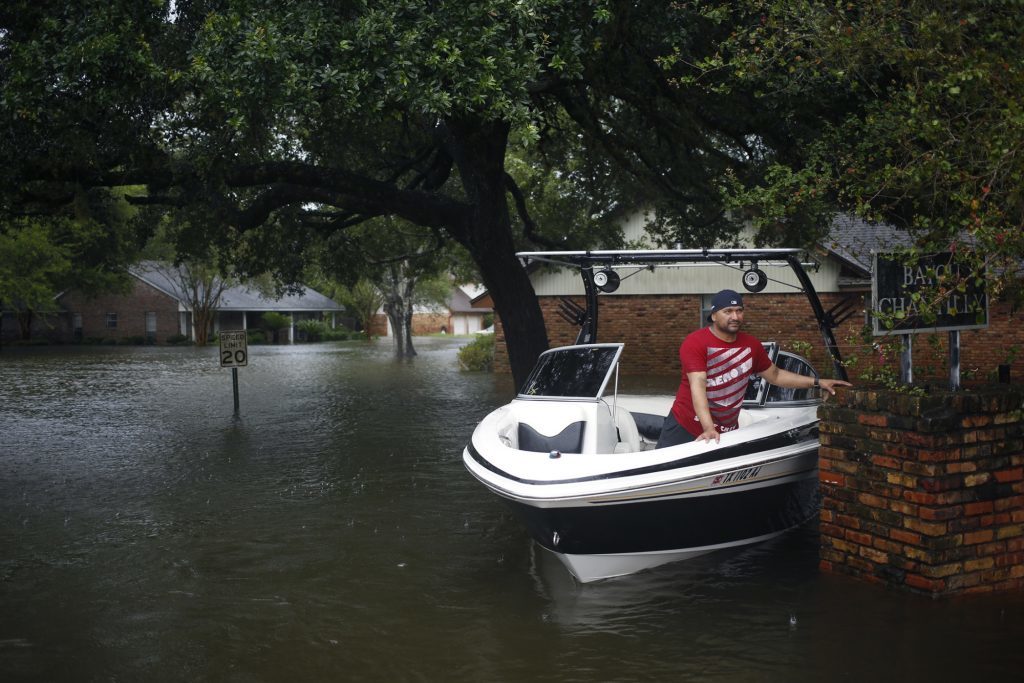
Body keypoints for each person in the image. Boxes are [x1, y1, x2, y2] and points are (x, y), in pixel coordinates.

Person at [656, 289, 852, 447]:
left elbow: (775, 375)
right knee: (660, 476)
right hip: (685, 425)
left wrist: (818, 382)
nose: (735, 316)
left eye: (739, 311)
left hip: (726, 432)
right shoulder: (696, 342)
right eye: (728, 311)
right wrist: (708, 427)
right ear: (714, 315)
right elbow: (697, 385)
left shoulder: (751, 345)